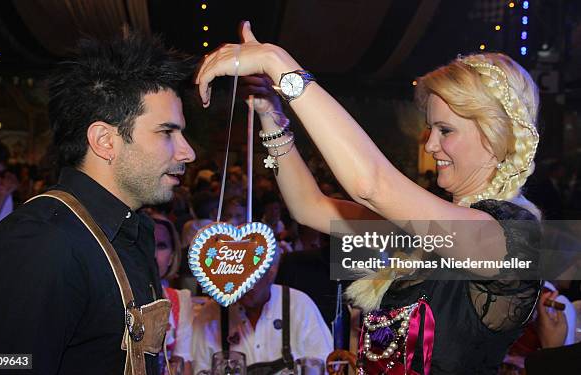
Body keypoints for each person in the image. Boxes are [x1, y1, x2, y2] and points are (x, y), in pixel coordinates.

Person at [196, 22, 543, 374]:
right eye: (431, 128)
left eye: (446, 130)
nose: (430, 145)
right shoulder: (426, 233)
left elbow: (372, 184)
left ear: (494, 136)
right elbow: (309, 207)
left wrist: (276, 62)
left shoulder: (509, 239)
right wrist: (272, 118)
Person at [0, 32, 196, 374]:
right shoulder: (40, 244)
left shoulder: (132, 230)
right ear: (105, 140)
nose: (187, 152)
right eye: (167, 132)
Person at [191, 246, 333, 373]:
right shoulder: (210, 315)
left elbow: (324, 365)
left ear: (271, 271)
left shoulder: (299, 305)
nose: (241, 285)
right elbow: (199, 370)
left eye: (248, 275)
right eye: (235, 275)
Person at [149, 212, 193, 375]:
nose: (152, 254)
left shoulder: (180, 300)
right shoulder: (114, 300)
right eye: (146, 243)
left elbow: (184, 364)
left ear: (171, 257)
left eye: (161, 246)